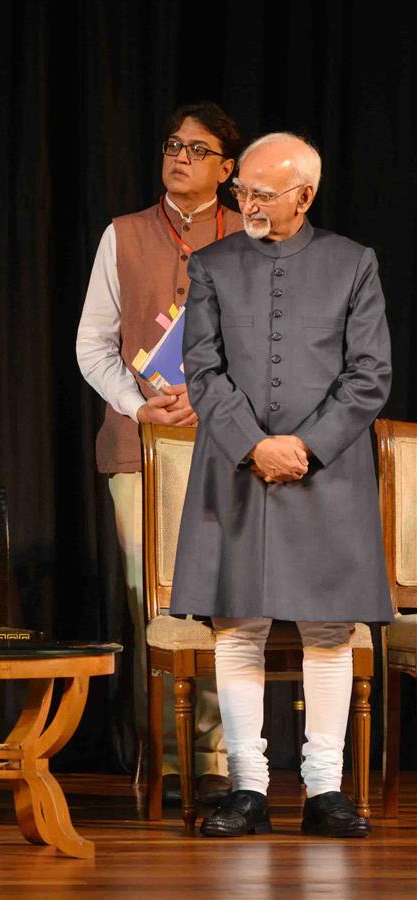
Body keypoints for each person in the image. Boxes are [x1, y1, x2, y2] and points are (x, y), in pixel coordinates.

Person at [172, 133, 392, 839]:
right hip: (238, 466)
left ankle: (325, 790)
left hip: (327, 471)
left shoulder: (353, 263)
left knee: (328, 629)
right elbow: (201, 370)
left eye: (265, 194)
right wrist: (255, 444)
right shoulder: (209, 264)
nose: (250, 204)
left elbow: (369, 375)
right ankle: (248, 788)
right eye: (244, 192)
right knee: (239, 625)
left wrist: (307, 444)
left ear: (305, 194)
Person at [75, 102, 242, 801]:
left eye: (198, 150)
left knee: (225, 601)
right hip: (138, 451)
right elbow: (93, 344)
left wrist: (213, 401)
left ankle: (218, 762)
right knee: (158, 602)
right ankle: (165, 756)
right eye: (174, 145)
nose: (180, 156)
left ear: (227, 169)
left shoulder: (252, 237)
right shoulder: (124, 235)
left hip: (229, 449)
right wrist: (140, 405)